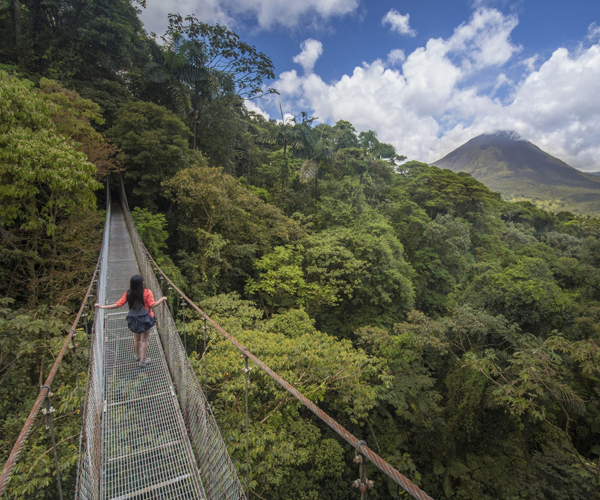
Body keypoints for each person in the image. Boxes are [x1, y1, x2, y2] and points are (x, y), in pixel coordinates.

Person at [95, 274, 166, 367]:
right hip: (147, 319)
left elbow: (118, 304)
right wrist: (162, 299)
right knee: (145, 340)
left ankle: (137, 355)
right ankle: (142, 361)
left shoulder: (128, 293)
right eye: (143, 281)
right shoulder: (147, 292)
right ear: (141, 283)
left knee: (137, 339)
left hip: (134, 319)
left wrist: (102, 307)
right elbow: (152, 305)